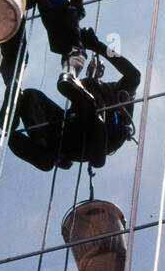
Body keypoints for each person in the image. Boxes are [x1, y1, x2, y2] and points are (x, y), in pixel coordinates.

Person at [8, 26, 140, 171]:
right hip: (67, 136)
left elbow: (133, 75)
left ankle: (83, 129)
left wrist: (96, 45)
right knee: (30, 96)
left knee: (95, 116)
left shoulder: (120, 98)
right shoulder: (89, 86)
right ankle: (43, 148)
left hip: (97, 138)